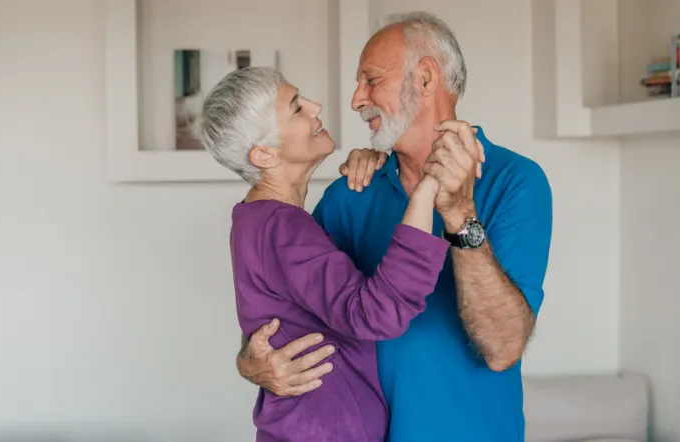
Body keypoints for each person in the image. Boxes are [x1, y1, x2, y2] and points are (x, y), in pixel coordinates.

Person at [236, 11, 553, 442]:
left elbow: (502, 349)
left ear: (425, 79)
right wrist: (249, 361)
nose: (355, 100)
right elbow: (286, 304)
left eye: (371, 80)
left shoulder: (516, 181)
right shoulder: (351, 192)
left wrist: (460, 213)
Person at [196, 66, 454, 441]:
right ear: (264, 155)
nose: (316, 107)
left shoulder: (256, 220)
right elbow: (377, 313)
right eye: (297, 107)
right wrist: (429, 186)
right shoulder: (282, 229)